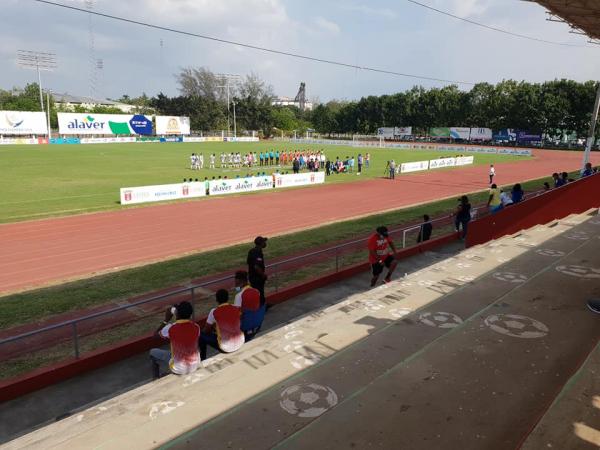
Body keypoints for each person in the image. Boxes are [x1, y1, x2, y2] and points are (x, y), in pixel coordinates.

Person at [150, 301, 200, 379]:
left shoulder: (170, 328)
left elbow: (155, 335)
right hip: (195, 364)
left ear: (177, 314)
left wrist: (166, 320)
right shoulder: (196, 327)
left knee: (152, 352)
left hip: (179, 368)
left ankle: (156, 378)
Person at [199, 289, 244, 360]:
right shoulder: (236, 308)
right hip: (240, 342)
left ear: (216, 299)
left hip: (227, 347)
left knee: (201, 335)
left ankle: (203, 359)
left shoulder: (214, 312)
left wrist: (213, 328)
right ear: (228, 298)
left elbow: (206, 331)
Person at [247, 236, 268, 306]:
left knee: (259, 292)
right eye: (264, 242)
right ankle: (261, 307)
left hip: (252, 276)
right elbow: (256, 266)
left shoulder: (251, 251)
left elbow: (249, 263)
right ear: (261, 243)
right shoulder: (257, 252)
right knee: (259, 292)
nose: (265, 243)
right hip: (257, 278)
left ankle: (263, 304)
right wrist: (263, 275)